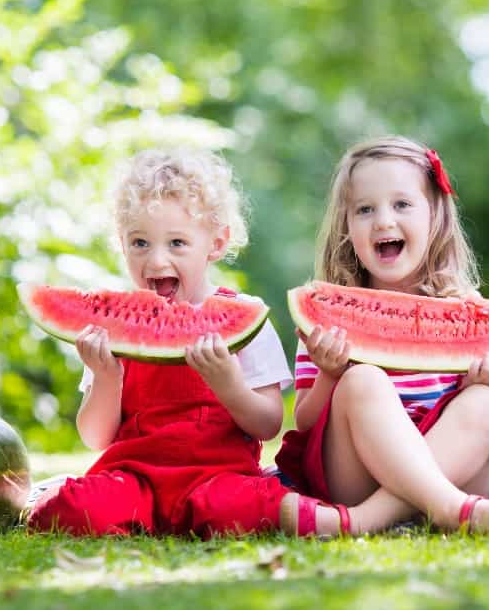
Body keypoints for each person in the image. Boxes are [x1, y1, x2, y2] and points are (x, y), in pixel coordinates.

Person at [26, 148, 353, 537]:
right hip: (135, 481)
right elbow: (96, 437)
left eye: (177, 243)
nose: (156, 261)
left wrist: (228, 384)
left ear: (216, 243)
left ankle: (325, 516)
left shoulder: (246, 318)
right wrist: (106, 377)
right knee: (68, 510)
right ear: (121, 242)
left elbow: (268, 425)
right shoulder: (114, 328)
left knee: (240, 505)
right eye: (140, 243)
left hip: (217, 481)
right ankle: (101, 508)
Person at [274, 136, 489, 536]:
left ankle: (369, 521)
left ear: (434, 217)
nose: (384, 221)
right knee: (362, 379)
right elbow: (304, 423)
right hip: (356, 476)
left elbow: (474, 425)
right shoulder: (328, 318)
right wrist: (331, 375)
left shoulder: (466, 313)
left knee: (488, 405)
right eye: (365, 209)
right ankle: (448, 509)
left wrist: (484, 383)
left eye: (402, 204)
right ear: (346, 227)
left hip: (449, 468)